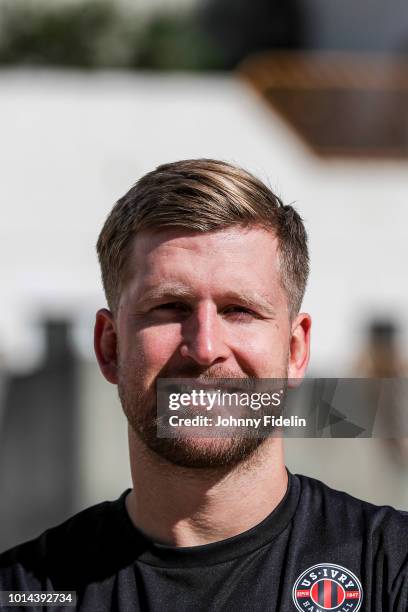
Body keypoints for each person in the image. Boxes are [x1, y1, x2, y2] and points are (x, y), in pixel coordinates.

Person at [0, 159, 407, 611]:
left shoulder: (392, 569)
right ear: (109, 346)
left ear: (295, 351)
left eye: (239, 310)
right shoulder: (22, 591)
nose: (205, 346)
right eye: (171, 307)